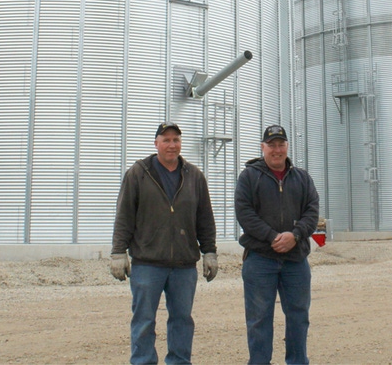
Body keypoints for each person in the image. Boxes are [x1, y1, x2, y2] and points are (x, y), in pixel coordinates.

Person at [110, 122, 218, 365]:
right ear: (156, 143)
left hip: (184, 264)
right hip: (147, 263)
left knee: (182, 320)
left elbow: (205, 218)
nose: (172, 145)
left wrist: (209, 251)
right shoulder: (138, 173)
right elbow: (124, 215)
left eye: (176, 140)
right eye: (166, 140)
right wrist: (118, 252)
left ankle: (179, 361)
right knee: (144, 320)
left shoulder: (194, 176)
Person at [235, 124, 320, 365]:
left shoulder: (302, 178)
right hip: (260, 259)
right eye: (271, 145)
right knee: (259, 318)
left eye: (281, 144)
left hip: (296, 260)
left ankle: (297, 361)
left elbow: (312, 212)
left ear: (287, 147)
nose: (277, 150)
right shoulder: (249, 176)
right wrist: (273, 236)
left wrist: (295, 235)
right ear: (263, 148)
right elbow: (245, 213)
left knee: (298, 316)